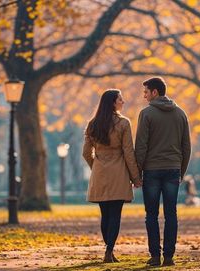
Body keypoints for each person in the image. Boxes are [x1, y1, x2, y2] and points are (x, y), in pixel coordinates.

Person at [135, 77, 191, 267]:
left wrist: (137, 172)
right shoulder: (181, 113)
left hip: (151, 170)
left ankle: (155, 256)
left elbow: (141, 146)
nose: (144, 96)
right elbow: (186, 147)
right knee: (171, 214)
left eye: (146, 92)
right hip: (173, 169)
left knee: (151, 214)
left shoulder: (147, 114)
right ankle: (169, 256)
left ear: (155, 92)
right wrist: (180, 171)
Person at [82, 89, 143, 263]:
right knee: (115, 214)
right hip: (118, 173)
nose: (123, 102)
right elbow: (128, 153)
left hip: (100, 173)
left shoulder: (92, 124)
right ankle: (109, 250)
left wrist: (97, 167)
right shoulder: (123, 123)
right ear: (113, 103)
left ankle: (108, 250)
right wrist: (135, 177)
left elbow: (86, 153)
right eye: (120, 99)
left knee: (105, 214)